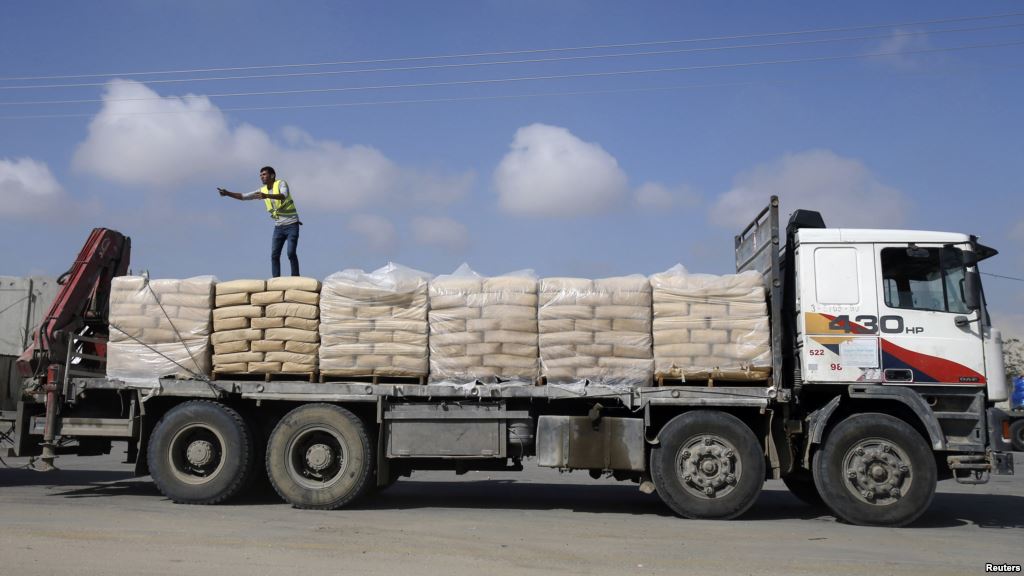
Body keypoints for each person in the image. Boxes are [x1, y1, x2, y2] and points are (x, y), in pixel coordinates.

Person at [218, 166, 301, 277]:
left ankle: (295, 277)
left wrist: (266, 196)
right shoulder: (262, 191)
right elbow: (244, 196)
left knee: (290, 253)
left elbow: (283, 196)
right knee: (274, 255)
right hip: (278, 227)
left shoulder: (281, 184)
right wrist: (228, 193)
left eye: (264, 174)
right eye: (261, 175)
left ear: (272, 175)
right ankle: (276, 280)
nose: (262, 177)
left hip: (292, 225)